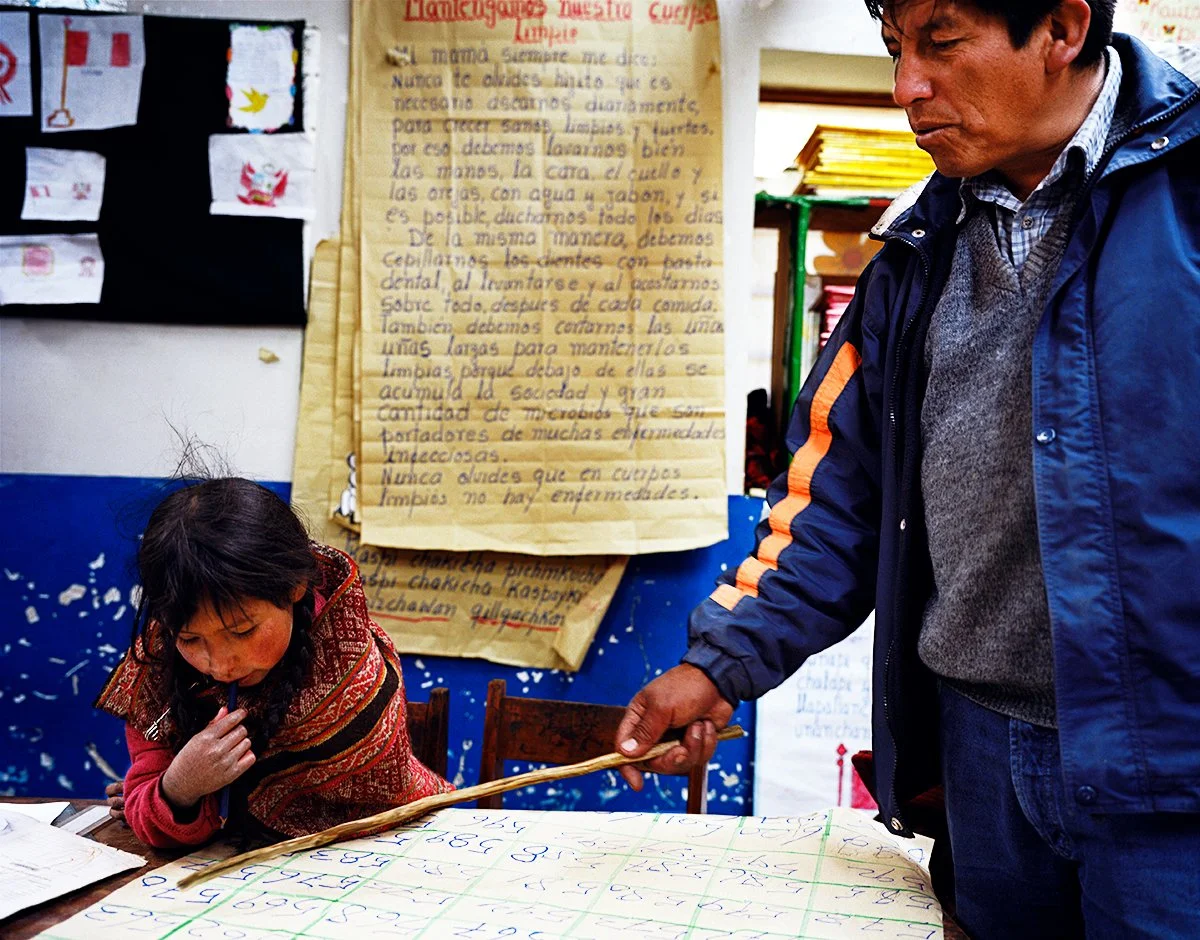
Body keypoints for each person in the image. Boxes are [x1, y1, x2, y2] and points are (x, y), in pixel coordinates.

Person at [616, 1, 1200, 935]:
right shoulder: (914, 255)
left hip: (1174, 764)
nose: (906, 89)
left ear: (1061, 29)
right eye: (895, 53)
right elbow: (832, 499)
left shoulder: (1186, 199)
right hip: (979, 755)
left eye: (941, 43)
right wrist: (720, 665)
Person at [96, 478, 452, 848]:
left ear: (295, 586)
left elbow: (381, 807)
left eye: (243, 631)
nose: (220, 666)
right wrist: (179, 787)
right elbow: (145, 810)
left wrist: (160, 800)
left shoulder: (348, 661)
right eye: (189, 639)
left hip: (388, 852)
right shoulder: (159, 661)